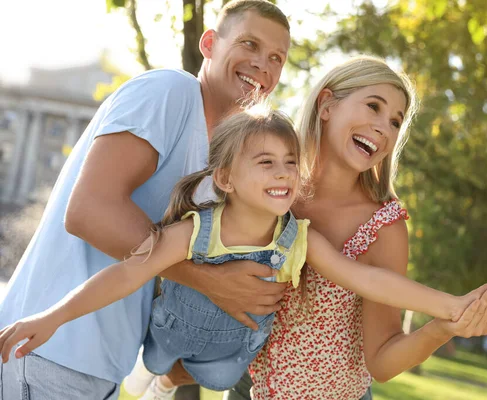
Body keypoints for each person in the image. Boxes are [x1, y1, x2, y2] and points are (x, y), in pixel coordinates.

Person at [0, 105, 487, 399]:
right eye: (266, 162)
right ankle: (165, 372)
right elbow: (124, 276)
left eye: (288, 163)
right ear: (226, 178)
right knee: (169, 312)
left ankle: (176, 377)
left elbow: (368, 281)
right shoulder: (198, 229)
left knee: (226, 363)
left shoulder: (298, 235)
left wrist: (448, 308)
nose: (282, 173)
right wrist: (53, 317)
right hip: (171, 339)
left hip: (234, 366)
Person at [0, 1, 292, 399]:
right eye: (249, 44)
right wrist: (209, 281)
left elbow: (160, 270)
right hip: (51, 350)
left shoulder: (221, 164)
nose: (263, 64)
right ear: (209, 44)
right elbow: (90, 211)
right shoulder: (169, 91)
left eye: (276, 57)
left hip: (100, 367)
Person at [222, 56, 487, 400]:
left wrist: (445, 326)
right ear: (326, 104)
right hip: (249, 388)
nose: (383, 128)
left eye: (394, 122)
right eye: (373, 106)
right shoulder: (275, 189)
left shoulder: (383, 226)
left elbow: (383, 363)